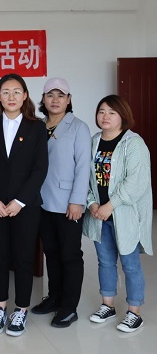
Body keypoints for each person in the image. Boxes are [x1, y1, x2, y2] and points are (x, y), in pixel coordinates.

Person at [0, 73, 48, 337]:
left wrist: (20, 201)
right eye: (6, 92)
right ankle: (0, 307)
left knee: (23, 258)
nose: (11, 97)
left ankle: (20, 309)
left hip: (25, 206)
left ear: (25, 95)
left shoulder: (37, 127)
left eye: (17, 92)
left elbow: (40, 169)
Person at [83, 95, 153, 333]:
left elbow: (137, 182)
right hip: (99, 216)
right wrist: (92, 203)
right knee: (105, 262)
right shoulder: (94, 141)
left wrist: (110, 205)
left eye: (112, 112)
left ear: (123, 116)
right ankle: (108, 305)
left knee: (130, 264)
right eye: (102, 111)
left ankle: (135, 312)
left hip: (124, 215)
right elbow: (85, 177)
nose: (105, 116)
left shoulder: (133, 143)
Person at [30, 78, 90, 328]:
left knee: (70, 255)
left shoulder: (78, 127)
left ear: (69, 99)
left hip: (67, 203)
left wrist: (77, 201)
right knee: (51, 253)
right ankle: (54, 298)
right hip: (41, 201)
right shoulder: (37, 126)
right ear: (43, 99)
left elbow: (83, 167)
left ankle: (69, 307)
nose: (55, 100)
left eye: (60, 95)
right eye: (50, 95)